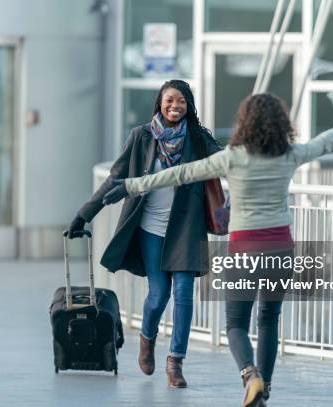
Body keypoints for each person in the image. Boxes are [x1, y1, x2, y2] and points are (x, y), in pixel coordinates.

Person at [102, 93, 333, 406]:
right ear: (281, 123)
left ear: (245, 123)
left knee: (236, 324)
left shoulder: (233, 157)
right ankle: (264, 389)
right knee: (269, 319)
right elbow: (326, 141)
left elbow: (181, 173)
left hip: (244, 251)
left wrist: (130, 186)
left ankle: (250, 376)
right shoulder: (289, 154)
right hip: (281, 250)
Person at [66, 79, 221, 388]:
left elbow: (229, 162)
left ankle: (175, 362)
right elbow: (115, 180)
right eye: (170, 100)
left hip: (186, 230)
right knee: (159, 294)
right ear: (159, 103)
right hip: (150, 228)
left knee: (185, 296)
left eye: (182, 102)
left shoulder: (200, 138)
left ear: (189, 107)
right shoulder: (141, 137)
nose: (175, 106)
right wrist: (85, 214)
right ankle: (147, 338)